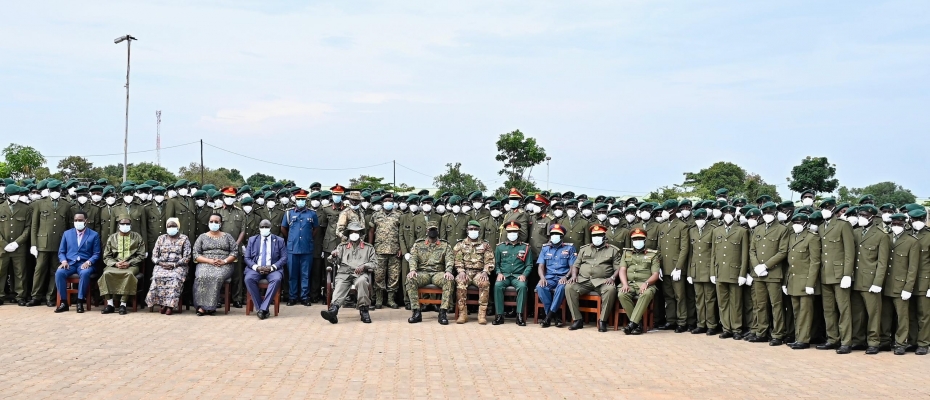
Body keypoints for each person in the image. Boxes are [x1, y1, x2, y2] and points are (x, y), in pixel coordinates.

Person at [815, 197, 857, 354]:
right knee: (828, 309)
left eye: (827, 208)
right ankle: (832, 338)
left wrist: (847, 274)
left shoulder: (842, 225)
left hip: (840, 275)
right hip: (825, 274)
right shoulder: (821, 227)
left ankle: (846, 341)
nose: (824, 211)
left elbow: (849, 252)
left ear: (833, 210)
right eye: (822, 208)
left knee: (843, 309)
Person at [747, 201, 790, 345]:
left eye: (770, 213)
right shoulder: (757, 229)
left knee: (776, 305)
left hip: (773, 273)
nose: (767, 215)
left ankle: (778, 334)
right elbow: (752, 250)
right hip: (758, 273)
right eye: (765, 213)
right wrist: (757, 266)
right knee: (760, 304)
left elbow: (783, 251)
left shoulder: (782, 229)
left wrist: (766, 265)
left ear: (775, 213)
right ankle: (761, 332)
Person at [565, 224, 621, 332]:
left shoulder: (613, 250)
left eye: (599, 235)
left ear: (604, 236)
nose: (596, 238)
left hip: (602, 281)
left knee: (611, 290)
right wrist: (574, 276)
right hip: (583, 280)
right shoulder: (584, 249)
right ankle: (577, 320)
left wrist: (613, 278)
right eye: (594, 235)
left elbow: (618, 268)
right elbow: (576, 265)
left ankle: (602, 321)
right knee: (569, 287)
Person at [850, 205, 890, 354]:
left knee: (874, 313)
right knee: (857, 313)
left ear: (872, 217)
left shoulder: (881, 235)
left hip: (871, 280)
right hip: (856, 280)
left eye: (864, 215)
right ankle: (858, 340)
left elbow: (882, 262)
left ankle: (873, 342)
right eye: (859, 214)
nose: (861, 217)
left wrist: (878, 282)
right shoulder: (855, 232)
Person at [29, 179, 73, 307]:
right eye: (53, 191)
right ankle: (36, 296)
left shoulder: (66, 205)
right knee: (39, 270)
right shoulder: (39, 203)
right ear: (48, 191)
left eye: (57, 190)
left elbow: (69, 226)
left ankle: (51, 297)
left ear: (61, 191)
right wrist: (33, 244)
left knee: (56, 270)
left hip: (59, 243)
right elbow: (34, 225)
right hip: (42, 242)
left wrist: (68, 245)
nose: (55, 193)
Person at [321, 222, 376, 324]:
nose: (354, 234)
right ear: (349, 233)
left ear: (360, 234)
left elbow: (374, 263)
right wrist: (334, 256)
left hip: (360, 273)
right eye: (352, 232)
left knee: (362, 281)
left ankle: (364, 310)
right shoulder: (342, 246)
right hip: (344, 273)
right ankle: (334, 310)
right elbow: (333, 261)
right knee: (340, 285)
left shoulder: (368, 248)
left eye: (356, 232)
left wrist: (365, 266)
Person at [880, 213, 919, 355]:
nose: (896, 226)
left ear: (905, 224)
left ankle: (901, 343)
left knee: (902, 316)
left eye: (899, 224)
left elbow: (912, 267)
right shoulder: (886, 236)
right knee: (885, 315)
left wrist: (908, 287)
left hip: (901, 285)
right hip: (885, 284)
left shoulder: (912, 241)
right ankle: (884, 341)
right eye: (894, 224)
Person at [783, 213, 822, 349]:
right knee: (796, 311)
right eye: (794, 222)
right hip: (793, 279)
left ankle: (804, 339)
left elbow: (815, 262)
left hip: (805, 280)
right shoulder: (793, 236)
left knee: (805, 311)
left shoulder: (812, 237)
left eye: (798, 222)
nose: (796, 225)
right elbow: (790, 261)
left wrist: (811, 283)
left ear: (805, 223)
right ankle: (798, 336)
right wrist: (785, 281)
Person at [711, 205, 750, 339]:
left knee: (736, 303)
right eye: (726, 212)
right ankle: (726, 328)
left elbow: (745, 255)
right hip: (720, 271)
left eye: (731, 212)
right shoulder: (716, 231)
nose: (728, 214)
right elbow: (713, 254)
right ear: (721, 214)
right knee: (723, 302)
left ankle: (737, 329)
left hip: (735, 272)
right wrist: (712, 272)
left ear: (735, 214)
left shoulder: (741, 231)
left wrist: (742, 274)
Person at [405, 220, 454, 325]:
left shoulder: (445, 245)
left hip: (438, 273)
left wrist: (448, 271)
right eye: (431, 230)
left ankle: (443, 312)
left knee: (448, 280)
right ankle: (416, 312)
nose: (433, 232)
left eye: (434, 230)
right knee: (410, 279)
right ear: (427, 231)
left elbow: (450, 259)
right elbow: (413, 258)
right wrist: (413, 269)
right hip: (423, 273)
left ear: (438, 231)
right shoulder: (418, 244)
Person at [53, 211, 101, 313]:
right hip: (70, 263)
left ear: (86, 221)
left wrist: (88, 262)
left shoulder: (94, 235)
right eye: (76, 220)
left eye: (80, 220)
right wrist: (64, 261)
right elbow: (61, 251)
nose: (77, 222)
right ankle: (64, 302)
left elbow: (96, 253)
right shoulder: (67, 234)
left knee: (85, 273)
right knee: (59, 273)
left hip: (85, 263)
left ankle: (80, 301)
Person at [192, 213, 238, 316]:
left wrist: (224, 261)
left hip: (224, 264)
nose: (214, 223)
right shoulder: (202, 237)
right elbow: (195, 254)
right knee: (201, 276)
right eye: (211, 221)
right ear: (208, 223)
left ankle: (211, 307)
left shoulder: (228, 236)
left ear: (220, 224)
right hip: (205, 262)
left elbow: (234, 253)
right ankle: (202, 307)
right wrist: (209, 261)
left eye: (216, 222)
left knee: (216, 276)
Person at [656, 199, 691, 332]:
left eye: (666, 209)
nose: (663, 212)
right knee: (668, 296)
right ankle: (671, 320)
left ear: (673, 210)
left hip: (676, 268)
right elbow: (659, 248)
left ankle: (682, 321)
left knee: (680, 296)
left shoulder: (682, 226)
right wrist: (658, 265)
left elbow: (684, 248)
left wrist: (679, 267)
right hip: (664, 267)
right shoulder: (662, 226)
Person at [99, 216, 146, 315]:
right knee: (106, 274)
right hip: (114, 265)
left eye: (127, 224)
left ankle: (123, 304)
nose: (125, 226)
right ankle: (110, 304)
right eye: (123, 224)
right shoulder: (112, 238)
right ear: (118, 225)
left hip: (131, 265)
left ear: (131, 225)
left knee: (128, 274)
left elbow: (141, 255)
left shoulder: (137, 237)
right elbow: (106, 256)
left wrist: (129, 263)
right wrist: (115, 263)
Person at [145, 217, 192, 315]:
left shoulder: (184, 238)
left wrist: (175, 264)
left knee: (174, 278)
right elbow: (154, 256)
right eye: (169, 226)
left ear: (178, 227)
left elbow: (187, 257)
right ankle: (163, 304)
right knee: (157, 277)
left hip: (179, 266)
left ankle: (170, 306)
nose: (171, 228)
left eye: (173, 226)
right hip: (161, 265)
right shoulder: (161, 238)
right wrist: (160, 263)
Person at [281, 189, 319, 306]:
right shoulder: (289, 213)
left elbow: (316, 228)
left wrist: (308, 238)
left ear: (306, 200)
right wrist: (291, 239)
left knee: (305, 274)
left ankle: (304, 297)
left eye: (303, 199)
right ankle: (292, 297)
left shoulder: (312, 213)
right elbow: (283, 228)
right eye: (299, 199)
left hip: (307, 248)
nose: (301, 201)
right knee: (292, 274)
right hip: (292, 248)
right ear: (295, 200)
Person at [618, 228, 660, 335]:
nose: (637, 241)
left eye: (640, 239)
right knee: (622, 294)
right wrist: (625, 284)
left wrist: (646, 283)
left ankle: (632, 324)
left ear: (645, 240)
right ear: (632, 241)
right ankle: (638, 324)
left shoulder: (653, 255)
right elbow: (622, 269)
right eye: (635, 239)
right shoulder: (626, 253)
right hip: (630, 284)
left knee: (646, 293)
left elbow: (655, 274)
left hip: (646, 284)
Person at [452, 220, 495, 324]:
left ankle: (482, 315)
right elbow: (457, 260)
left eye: (475, 229)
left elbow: (489, 261)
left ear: (479, 231)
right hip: (465, 272)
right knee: (460, 283)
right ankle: (463, 314)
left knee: (485, 283)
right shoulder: (460, 245)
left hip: (479, 273)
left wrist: (485, 272)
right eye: (471, 229)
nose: (473, 231)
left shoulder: (485, 245)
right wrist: (461, 271)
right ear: (467, 230)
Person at [244, 219, 287, 320]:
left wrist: (272, 267)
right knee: (248, 279)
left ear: (270, 228)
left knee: (276, 279)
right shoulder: (252, 240)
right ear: (259, 228)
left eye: (266, 227)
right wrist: (256, 267)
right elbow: (247, 258)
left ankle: (262, 309)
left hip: (273, 269)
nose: (264, 229)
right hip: (256, 269)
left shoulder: (279, 240)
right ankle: (263, 309)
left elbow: (284, 258)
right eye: (262, 227)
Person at [535, 223, 576, 328]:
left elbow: (573, 267)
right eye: (552, 234)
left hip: (563, 277)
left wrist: (566, 277)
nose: (554, 236)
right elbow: (540, 266)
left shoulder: (570, 248)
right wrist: (542, 278)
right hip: (549, 278)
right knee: (540, 287)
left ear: (561, 236)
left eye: (557, 234)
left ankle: (548, 317)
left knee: (562, 287)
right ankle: (555, 315)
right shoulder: (545, 249)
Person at [493, 221, 533, 326]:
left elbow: (529, 265)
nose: (512, 234)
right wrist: (499, 273)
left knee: (523, 287)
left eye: (514, 231)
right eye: (510, 232)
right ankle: (499, 315)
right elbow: (496, 263)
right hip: (504, 276)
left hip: (518, 276)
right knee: (497, 286)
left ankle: (519, 315)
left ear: (518, 233)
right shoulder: (500, 247)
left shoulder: (525, 247)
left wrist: (524, 275)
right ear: (506, 233)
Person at [367, 193, 402, 309]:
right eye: (386, 200)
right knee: (378, 276)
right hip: (379, 250)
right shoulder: (376, 215)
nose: (388, 202)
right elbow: (371, 231)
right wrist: (371, 247)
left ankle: (391, 300)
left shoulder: (399, 215)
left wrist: (401, 247)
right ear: (382, 202)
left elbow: (401, 233)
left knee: (394, 276)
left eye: (390, 200)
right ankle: (379, 300)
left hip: (395, 250)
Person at [687, 208, 718, 334]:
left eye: (702, 218)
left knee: (710, 299)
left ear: (706, 218)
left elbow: (714, 253)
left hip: (707, 268)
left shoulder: (713, 230)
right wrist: (689, 272)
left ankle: (711, 325)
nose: (699, 220)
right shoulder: (692, 230)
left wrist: (713, 272)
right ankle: (701, 324)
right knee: (699, 298)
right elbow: (690, 253)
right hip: (696, 269)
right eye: (697, 218)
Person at [1, 184, 31, 306]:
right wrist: (3, 243)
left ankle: (20, 296)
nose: (16, 197)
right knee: (1, 271)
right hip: (2, 247)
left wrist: (17, 242)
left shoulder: (25, 208)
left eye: (17, 194)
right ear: (7, 195)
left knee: (20, 272)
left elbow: (28, 227)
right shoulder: (0, 207)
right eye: (13, 195)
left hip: (19, 247)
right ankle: (1, 295)